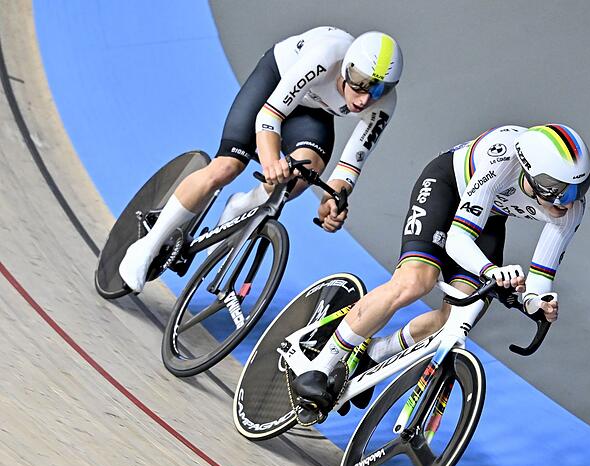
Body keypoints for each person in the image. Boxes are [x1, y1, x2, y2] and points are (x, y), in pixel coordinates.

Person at [293, 123, 590, 414]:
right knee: (415, 282)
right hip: (446, 188)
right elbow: (458, 239)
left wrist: (536, 302)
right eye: (561, 191)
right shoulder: (502, 161)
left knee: (459, 316)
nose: (568, 202)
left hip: (487, 217)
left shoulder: (572, 207)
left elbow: (541, 275)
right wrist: (490, 270)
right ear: (532, 174)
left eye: (578, 189)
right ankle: (320, 366)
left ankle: (375, 354)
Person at [119, 27, 403, 291]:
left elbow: (349, 167)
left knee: (304, 173)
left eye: (379, 89)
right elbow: (270, 115)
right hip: (275, 84)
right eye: (360, 84)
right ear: (346, 68)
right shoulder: (326, 56)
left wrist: (332, 202)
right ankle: (146, 247)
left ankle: (241, 206)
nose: (365, 100)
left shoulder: (383, 106)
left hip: (313, 111)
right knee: (226, 167)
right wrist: (270, 163)